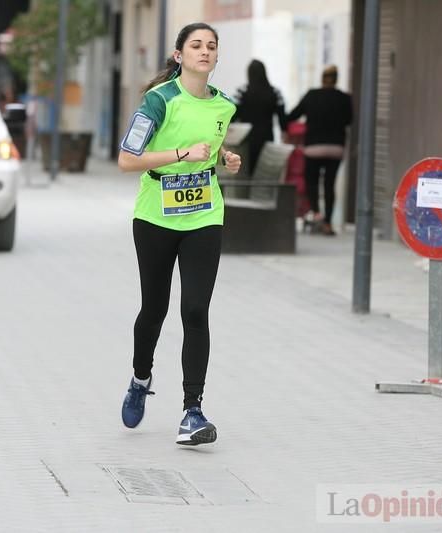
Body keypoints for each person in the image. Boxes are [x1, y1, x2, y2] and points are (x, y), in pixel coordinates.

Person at [117, 22, 241, 446]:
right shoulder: (158, 100)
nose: (204, 51)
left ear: (217, 57)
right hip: (155, 217)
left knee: (195, 310)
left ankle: (193, 411)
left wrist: (223, 156)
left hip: (204, 215)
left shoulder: (224, 106)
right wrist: (181, 154)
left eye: (211, 46)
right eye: (196, 45)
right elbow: (126, 159)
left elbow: (208, 138)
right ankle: (140, 377)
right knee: (154, 309)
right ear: (179, 55)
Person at [283, 65, 352, 235]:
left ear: (322, 78)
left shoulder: (312, 95)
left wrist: (285, 124)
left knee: (311, 182)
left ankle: (316, 214)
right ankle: (328, 222)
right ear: (336, 79)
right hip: (336, 147)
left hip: (313, 147)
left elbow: (292, 115)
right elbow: (349, 120)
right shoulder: (344, 98)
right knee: (330, 184)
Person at [232, 59, 287, 174]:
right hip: (266, 137)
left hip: (246, 139)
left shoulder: (241, 91)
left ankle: (246, 192)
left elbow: (232, 114)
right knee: (264, 172)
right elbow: (282, 117)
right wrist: (284, 131)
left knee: (246, 172)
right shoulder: (275, 92)